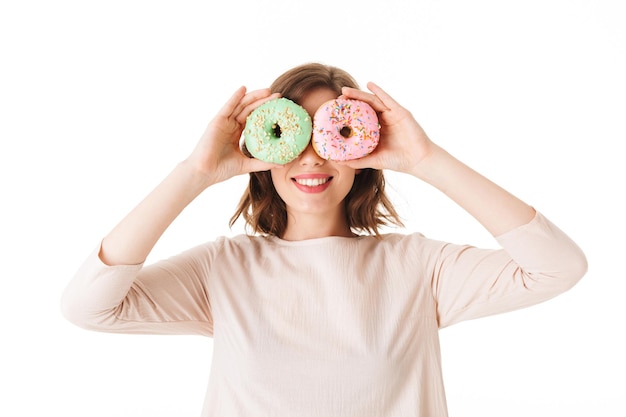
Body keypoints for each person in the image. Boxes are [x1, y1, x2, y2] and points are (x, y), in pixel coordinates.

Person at [61, 62, 587, 416]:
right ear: (264, 150)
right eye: (295, 134)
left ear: (365, 151)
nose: (311, 156)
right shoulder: (223, 270)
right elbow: (90, 307)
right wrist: (196, 172)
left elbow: (558, 266)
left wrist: (426, 160)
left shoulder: (417, 266)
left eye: (331, 134)